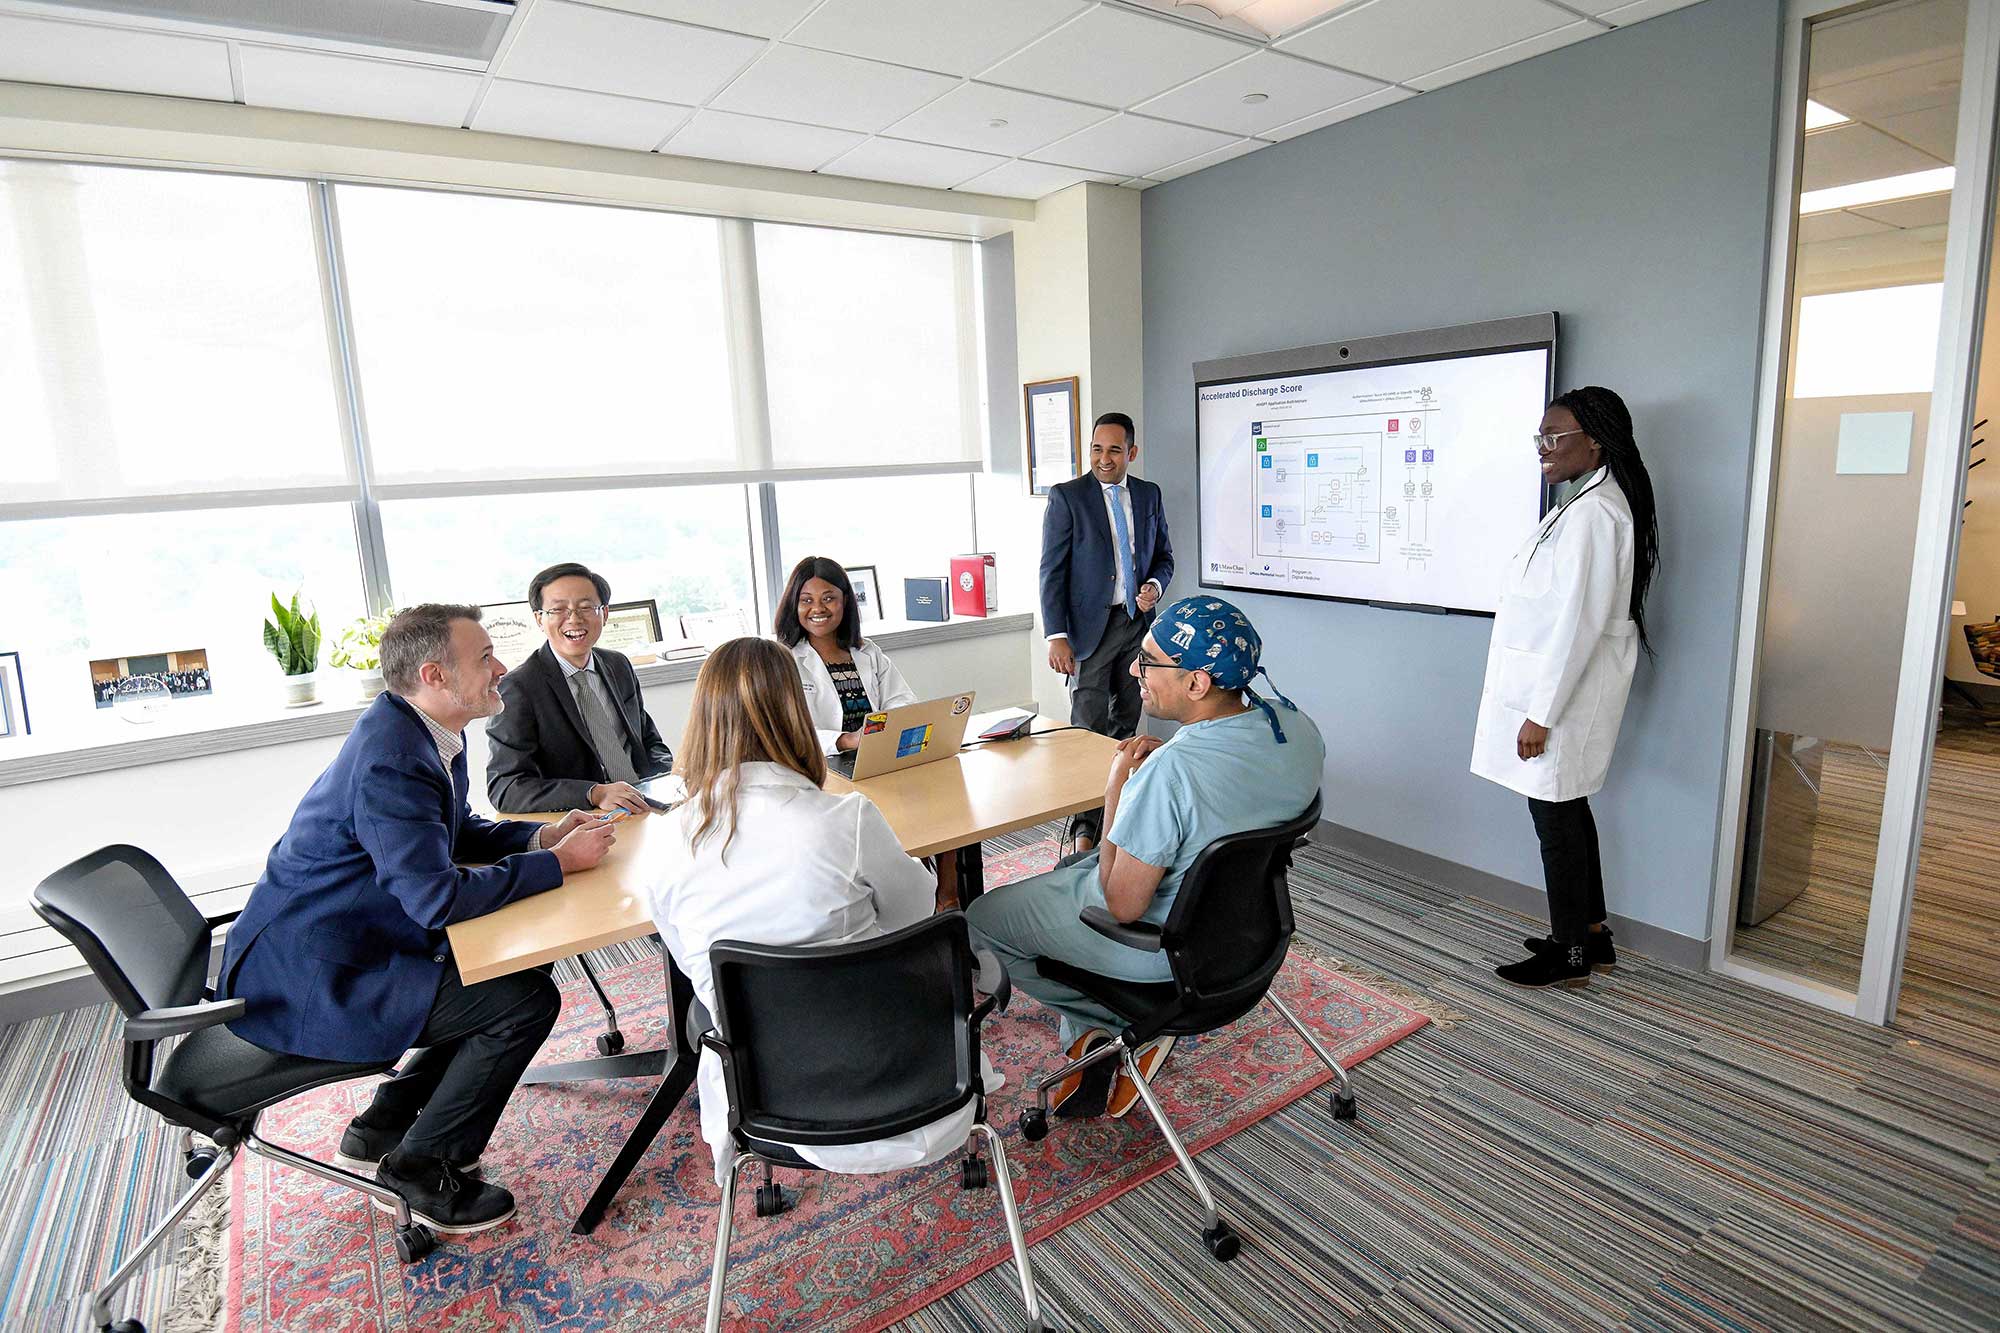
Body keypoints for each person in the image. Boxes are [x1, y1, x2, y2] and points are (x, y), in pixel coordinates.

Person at [216, 604, 619, 1235]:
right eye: (484, 658)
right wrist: (558, 867)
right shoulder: (393, 759)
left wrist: (541, 839)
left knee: (501, 975)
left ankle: (385, 1123)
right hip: (318, 975)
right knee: (521, 999)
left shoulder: (419, 730)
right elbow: (435, 898)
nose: (502, 669)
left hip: (343, 939)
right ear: (434, 674)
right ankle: (421, 1166)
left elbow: (453, 830)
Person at [643, 637, 991, 1185]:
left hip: (764, 1096)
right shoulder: (844, 820)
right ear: (795, 715)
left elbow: (688, 958)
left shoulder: (664, 840)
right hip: (909, 1077)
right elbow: (920, 915)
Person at [968, 595, 1322, 1120]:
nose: (1134, 668)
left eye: (1149, 661)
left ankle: (1113, 1029)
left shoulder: (1172, 773)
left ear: (1197, 683)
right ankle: (1105, 1034)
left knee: (980, 919)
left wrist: (1118, 790)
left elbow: (1123, 905)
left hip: (1159, 947)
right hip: (1245, 936)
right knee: (1069, 869)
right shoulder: (1295, 729)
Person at [1472, 386, 1659, 989]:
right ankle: (1592, 935)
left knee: (1557, 822)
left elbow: (1577, 626)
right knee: (1568, 812)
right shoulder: (1583, 505)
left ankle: (1569, 953)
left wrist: (1541, 715)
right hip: (1557, 694)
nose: (1543, 449)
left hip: (1562, 702)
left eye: (1555, 439)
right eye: (1540, 439)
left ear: (1596, 441)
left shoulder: (1599, 516)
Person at [1040, 411, 1175, 850]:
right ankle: (1083, 828)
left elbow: (1164, 558)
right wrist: (1056, 634)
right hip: (1088, 630)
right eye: (1097, 449)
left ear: (1131, 453)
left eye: (1114, 450)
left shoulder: (1149, 495)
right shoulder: (1068, 497)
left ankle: (1116, 816)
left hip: (1136, 625)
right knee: (1087, 729)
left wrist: (1153, 587)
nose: (1104, 458)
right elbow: (1052, 570)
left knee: (1126, 724)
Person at [487, 562, 674, 815]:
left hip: (646, 805)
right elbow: (506, 788)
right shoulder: (518, 688)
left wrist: (672, 777)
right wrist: (594, 793)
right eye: (558, 609)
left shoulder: (618, 665)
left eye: (586, 607)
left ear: (605, 614)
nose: (574, 618)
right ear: (539, 619)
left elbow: (649, 742)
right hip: (585, 818)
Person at [773, 556, 915, 756]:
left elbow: (901, 700)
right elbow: (785, 731)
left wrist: (886, 728)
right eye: (806, 600)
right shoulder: (783, 660)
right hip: (820, 763)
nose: (818, 608)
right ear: (794, 604)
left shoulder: (867, 651)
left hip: (876, 755)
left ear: (845, 600)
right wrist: (845, 740)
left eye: (828, 598)